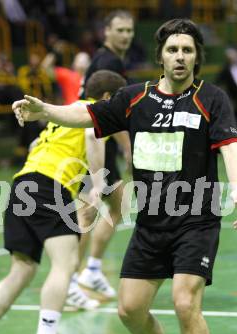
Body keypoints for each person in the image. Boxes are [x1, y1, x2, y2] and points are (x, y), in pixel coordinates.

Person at [12, 18, 237, 334]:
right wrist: (47, 110)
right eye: (173, 50)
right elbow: (87, 114)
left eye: (187, 50)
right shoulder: (136, 97)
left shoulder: (211, 98)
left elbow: (231, 146)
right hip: (151, 224)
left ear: (196, 57)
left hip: (195, 221)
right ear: (161, 56)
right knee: (129, 309)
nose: (180, 56)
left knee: (185, 304)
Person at [0, 70, 126, 334]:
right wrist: (96, 186)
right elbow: (89, 135)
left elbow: (33, 150)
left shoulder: (62, 115)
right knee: (66, 262)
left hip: (22, 185)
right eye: (121, 101)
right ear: (108, 98)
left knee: (22, 269)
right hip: (49, 188)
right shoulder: (90, 113)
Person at [77, 9, 134, 300]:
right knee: (87, 210)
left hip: (103, 139)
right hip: (96, 140)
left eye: (129, 30)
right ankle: (73, 279)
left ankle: (91, 270)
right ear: (106, 31)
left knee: (118, 202)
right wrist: (128, 146)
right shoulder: (108, 61)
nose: (126, 35)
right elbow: (111, 110)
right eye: (120, 30)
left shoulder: (108, 60)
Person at [215, 48, 237, 132]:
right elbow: (218, 81)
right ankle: (233, 131)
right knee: (233, 113)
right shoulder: (225, 69)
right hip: (232, 95)